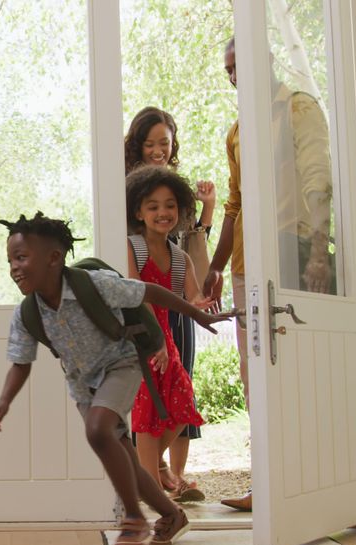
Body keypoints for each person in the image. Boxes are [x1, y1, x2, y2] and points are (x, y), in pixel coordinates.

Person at [0, 212, 228, 545]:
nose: (14, 267)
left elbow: (152, 292)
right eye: (11, 259)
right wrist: (4, 401)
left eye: (22, 257)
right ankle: (172, 515)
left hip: (122, 364)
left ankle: (133, 518)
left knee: (98, 429)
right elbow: (21, 363)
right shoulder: (28, 313)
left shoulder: (95, 284)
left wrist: (198, 314)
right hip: (84, 385)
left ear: (54, 258)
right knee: (125, 458)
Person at [204, 38, 336, 512]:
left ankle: (310, 486)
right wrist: (216, 266)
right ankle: (267, 484)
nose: (236, 76)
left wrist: (318, 252)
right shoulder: (238, 131)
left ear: (269, 61)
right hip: (246, 267)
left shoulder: (299, 109)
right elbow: (235, 204)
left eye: (242, 65)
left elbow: (318, 180)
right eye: (229, 70)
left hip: (293, 255)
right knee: (254, 376)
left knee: (297, 373)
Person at [124, 107, 216, 502]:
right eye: (153, 207)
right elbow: (132, 294)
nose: (163, 213)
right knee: (146, 412)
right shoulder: (134, 246)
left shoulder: (180, 256)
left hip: (168, 339)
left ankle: (152, 475)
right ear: (138, 212)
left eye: (170, 207)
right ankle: (151, 489)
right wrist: (154, 341)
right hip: (143, 338)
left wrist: (204, 301)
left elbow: (192, 297)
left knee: (182, 403)